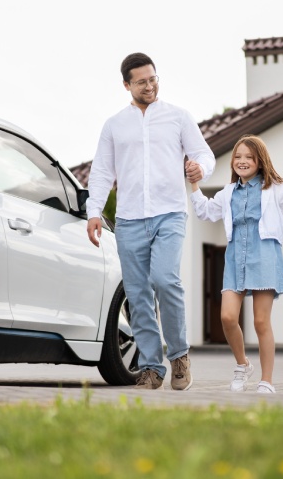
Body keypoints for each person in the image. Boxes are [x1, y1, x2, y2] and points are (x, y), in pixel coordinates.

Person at [86, 52, 216, 390]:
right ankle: (151, 366)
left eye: (153, 78)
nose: (150, 86)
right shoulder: (115, 125)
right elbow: (101, 171)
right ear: (127, 85)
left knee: (164, 279)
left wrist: (201, 167)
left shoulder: (177, 117)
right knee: (138, 293)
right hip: (129, 220)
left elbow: (204, 153)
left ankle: (179, 355)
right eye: (142, 81)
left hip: (170, 212)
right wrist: (94, 211)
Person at [189, 135, 283, 393]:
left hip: (265, 256)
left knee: (261, 322)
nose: (242, 161)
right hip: (235, 257)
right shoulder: (227, 193)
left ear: (260, 161)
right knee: (227, 317)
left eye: (249, 157)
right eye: (238, 157)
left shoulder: (276, 189)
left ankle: (267, 381)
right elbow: (205, 211)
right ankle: (243, 364)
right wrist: (194, 184)